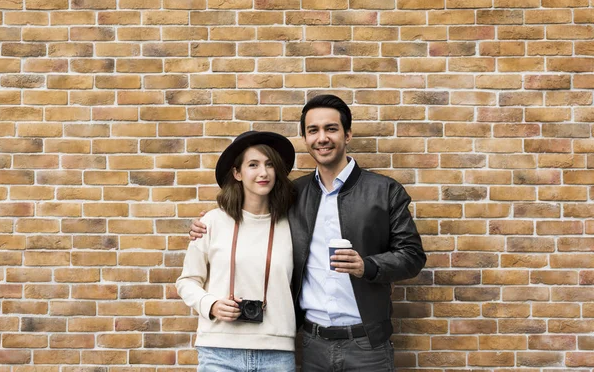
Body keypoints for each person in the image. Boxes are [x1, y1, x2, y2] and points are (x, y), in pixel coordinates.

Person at [190, 95, 426, 371]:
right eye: (313, 131)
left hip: (367, 343)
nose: (322, 138)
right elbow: (253, 207)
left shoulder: (384, 191)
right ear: (304, 138)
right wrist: (210, 221)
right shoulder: (293, 194)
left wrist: (368, 265)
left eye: (331, 129)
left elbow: (412, 256)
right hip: (313, 343)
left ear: (347, 134)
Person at [176, 131, 298, 372]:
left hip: (277, 353)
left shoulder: (293, 224)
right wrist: (210, 304)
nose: (263, 173)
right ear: (237, 173)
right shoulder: (211, 222)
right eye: (253, 165)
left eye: (270, 165)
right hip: (218, 351)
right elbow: (187, 281)